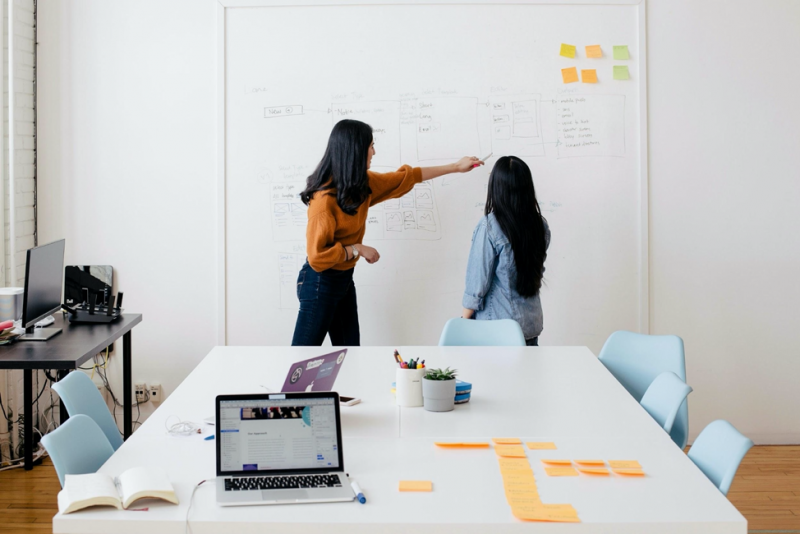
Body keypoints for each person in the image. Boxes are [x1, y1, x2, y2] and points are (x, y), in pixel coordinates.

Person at [292, 119, 482, 346]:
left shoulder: (361, 185)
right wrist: (356, 249)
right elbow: (317, 258)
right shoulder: (323, 201)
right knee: (302, 360)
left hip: (343, 280)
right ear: (355, 150)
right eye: (370, 146)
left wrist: (456, 167)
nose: (374, 151)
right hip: (318, 282)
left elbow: (407, 177)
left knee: (350, 355)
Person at [461, 156, 550, 346]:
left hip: (496, 330)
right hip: (530, 326)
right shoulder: (539, 225)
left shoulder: (489, 227)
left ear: (496, 187)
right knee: (526, 376)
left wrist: (462, 322)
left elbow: (477, 285)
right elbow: (536, 273)